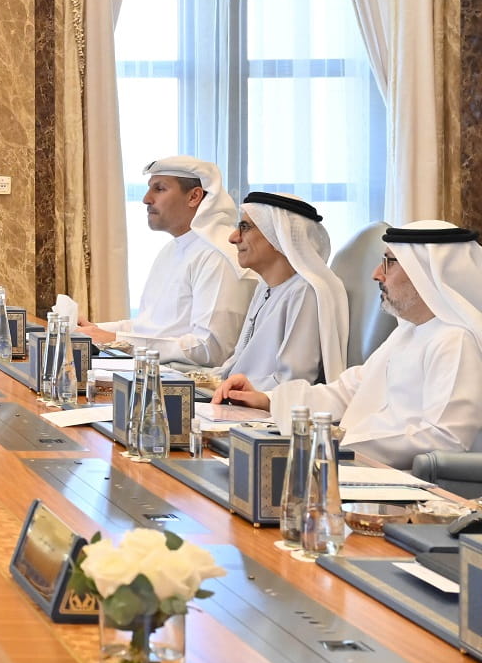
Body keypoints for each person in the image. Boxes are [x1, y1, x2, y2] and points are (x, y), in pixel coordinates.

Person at [214, 221, 482, 468]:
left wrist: (339, 441)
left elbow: (445, 438)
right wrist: (267, 400)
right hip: (355, 464)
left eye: (389, 263)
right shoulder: (407, 332)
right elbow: (347, 392)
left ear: (424, 272)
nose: (377, 275)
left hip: (404, 482)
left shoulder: (456, 339)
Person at [76, 156, 253, 368]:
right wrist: (94, 331)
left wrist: (116, 340)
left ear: (194, 197)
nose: (146, 199)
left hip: (191, 390)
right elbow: (151, 328)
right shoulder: (173, 249)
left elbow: (210, 349)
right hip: (151, 375)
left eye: (159, 189)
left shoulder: (218, 255)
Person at [213, 191, 349, 388]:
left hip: (264, 410)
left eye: (245, 227)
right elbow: (238, 362)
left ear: (277, 235)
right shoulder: (265, 287)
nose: (233, 238)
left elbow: (292, 381)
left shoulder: (305, 292)